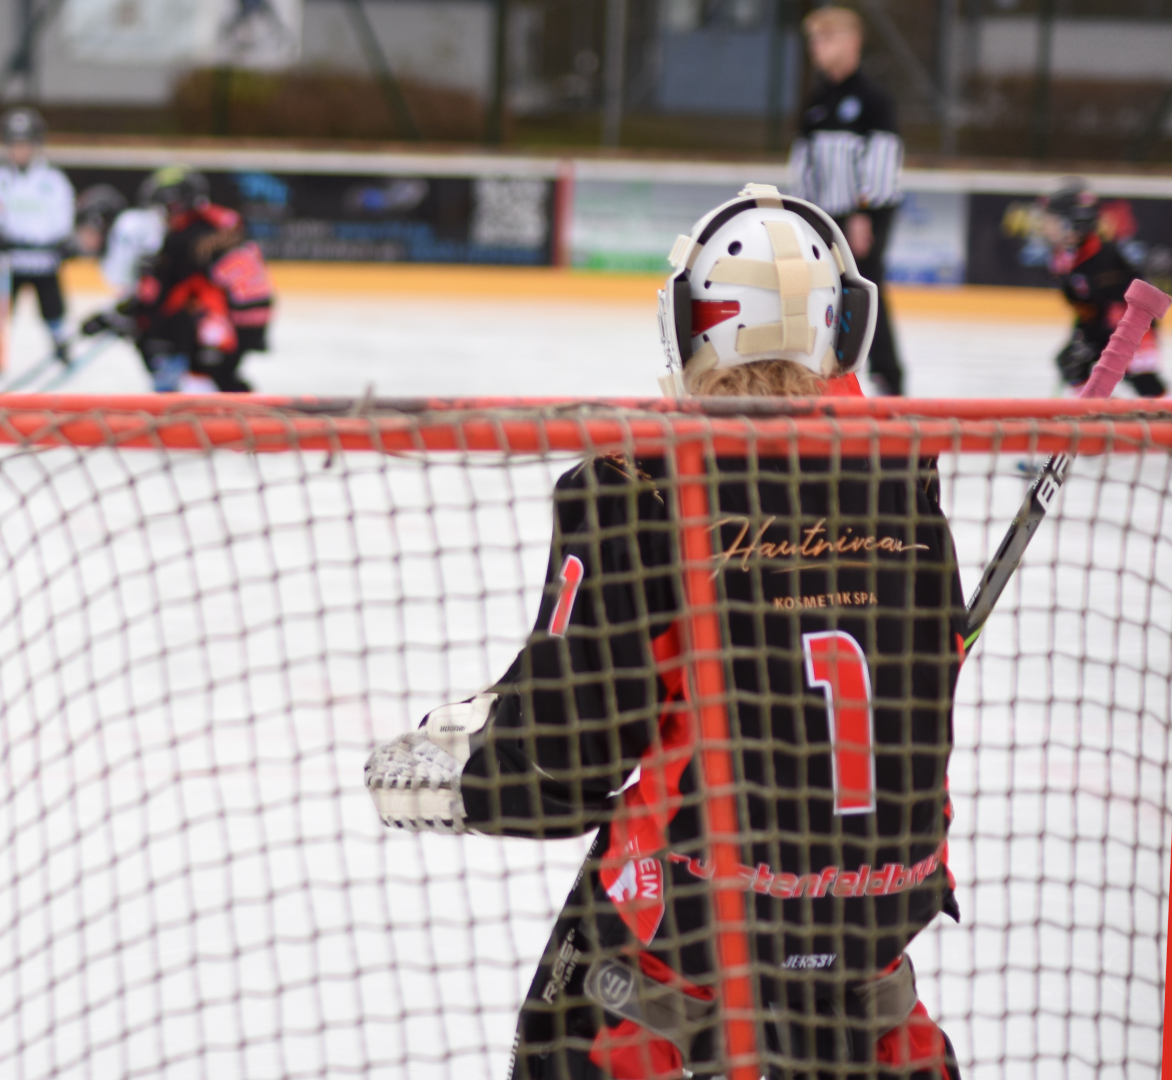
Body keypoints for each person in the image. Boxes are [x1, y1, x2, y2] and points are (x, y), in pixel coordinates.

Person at [365, 185, 966, 1080]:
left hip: (694, 940)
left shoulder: (636, 481)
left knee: (569, 1024)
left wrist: (474, 784)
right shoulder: (904, 471)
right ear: (843, 324)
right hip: (875, 937)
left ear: (692, 324)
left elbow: (566, 769)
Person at [790, 5, 907, 397]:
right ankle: (828, 373)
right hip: (824, 213)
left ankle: (887, 377)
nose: (817, 48)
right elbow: (803, 161)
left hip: (862, 215)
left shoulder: (872, 99)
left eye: (825, 38)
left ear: (851, 41)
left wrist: (863, 212)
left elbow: (882, 161)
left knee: (865, 291)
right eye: (813, 40)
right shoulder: (816, 100)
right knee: (824, 293)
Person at [111, 166, 274, 393]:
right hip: (255, 315)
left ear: (175, 206)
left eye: (164, 210)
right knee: (223, 375)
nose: (162, 218)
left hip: (229, 319)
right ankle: (247, 410)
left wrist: (131, 316)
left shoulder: (185, 238)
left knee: (195, 369)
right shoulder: (217, 224)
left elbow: (161, 294)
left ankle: (216, 412)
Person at [0, 107, 74, 383]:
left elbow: (62, 219)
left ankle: (62, 350)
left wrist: (53, 242)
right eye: (14, 145)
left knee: (53, 310)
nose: (19, 150)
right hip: (9, 264)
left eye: (25, 144)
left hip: (43, 262)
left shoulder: (54, 181)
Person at [1036, 179, 1165, 397]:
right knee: (1070, 364)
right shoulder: (1065, 257)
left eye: (1053, 220)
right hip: (1100, 326)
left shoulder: (1103, 258)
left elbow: (1120, 308)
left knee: (1138, 374)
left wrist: (1100, 343)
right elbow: (1085, 306)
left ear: (1074, 222)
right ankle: (1101, 411)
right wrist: (1082, 336)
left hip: (1130, 327)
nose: (1045, 227)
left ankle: (1162, 414)